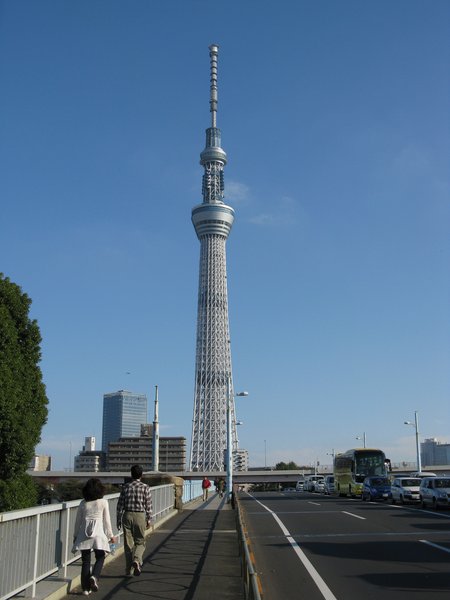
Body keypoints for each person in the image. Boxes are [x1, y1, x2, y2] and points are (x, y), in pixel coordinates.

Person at [72, 478, 116, 596]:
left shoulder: (83, 503)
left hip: (84, 535)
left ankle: (85, 589)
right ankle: (95, 576)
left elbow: (78, 522)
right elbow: (107, 521)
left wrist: (75, 536)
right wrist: (111, 535)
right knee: (100, 557)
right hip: (98, 535)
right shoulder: (103, 502)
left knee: (85, 561)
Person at [116, 464, 153, 577]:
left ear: (131, 474)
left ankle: (128, 571)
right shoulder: (145, 487)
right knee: (140, 542)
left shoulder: (125, 487)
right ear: (141, 475)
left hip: (127, 515)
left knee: (128, 545)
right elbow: (148, 504)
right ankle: (137, 560)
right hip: (140, 516)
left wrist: (118, 519)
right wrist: (149, 519)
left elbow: (120, 505)